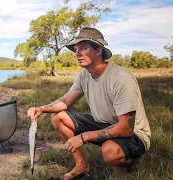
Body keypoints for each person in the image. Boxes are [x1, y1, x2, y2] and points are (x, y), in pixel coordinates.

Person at [27, 27, 151, 180]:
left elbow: (125, 128)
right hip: (104, 125)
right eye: (76, 49)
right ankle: (82, 165)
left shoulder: (121, 78)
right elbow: (65, 101)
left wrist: (84, 137)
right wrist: (41, 109)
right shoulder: (84, 75)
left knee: (110, 151)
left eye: (83, 48)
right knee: (59, 118)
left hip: (133, 133)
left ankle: (128, 164)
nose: (77, 53)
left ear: (98, 50)